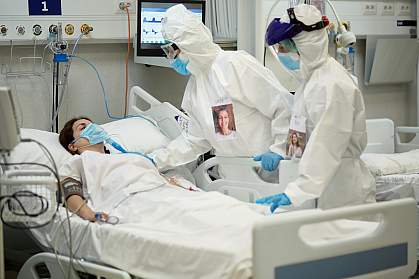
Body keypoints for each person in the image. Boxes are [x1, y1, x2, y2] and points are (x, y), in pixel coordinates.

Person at [256, 4, 375, 212]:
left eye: (284, 47)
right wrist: (281, 150)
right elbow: (303, 130)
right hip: (318, 187)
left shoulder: (332, 85)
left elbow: (326, 146)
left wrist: (295, 192)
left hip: (342, 192)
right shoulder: (309, 81)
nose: (281, 54)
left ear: (305, 44)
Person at [149, 4, 293, 174]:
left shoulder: (235, 65)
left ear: (189, 44)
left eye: (171, 51)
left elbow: (284, 106)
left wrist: (279, 149)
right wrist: (155, 160)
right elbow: (195, 141)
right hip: (232, 179)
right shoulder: (195, 89)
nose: (170, 58)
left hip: (271, 172)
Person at [58, 117, 197, 222]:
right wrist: (88, 214)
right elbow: (69, 190)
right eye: (83, 128)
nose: (92, 128)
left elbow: (154, 175)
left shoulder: (125, 156)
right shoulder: (80, 160)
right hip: (133, 200)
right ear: (73, 146)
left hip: (167, 193)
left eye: (92, 125)